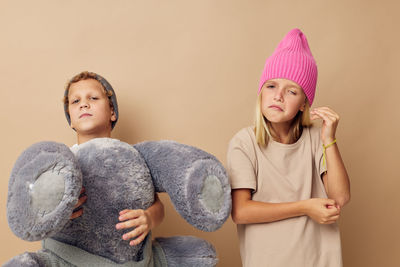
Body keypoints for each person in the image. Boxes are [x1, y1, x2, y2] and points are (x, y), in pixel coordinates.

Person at [227, 28, 350, 267]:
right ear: (261, 92)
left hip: (321, 260)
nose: (278, 96)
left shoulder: (317, 139)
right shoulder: (244, 143)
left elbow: (340, 197)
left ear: (304, 103)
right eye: (271, 86)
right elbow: (240, 211)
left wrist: (329, 139)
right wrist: (305, 207)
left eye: (291, 91)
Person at [64, 71, 164, 246]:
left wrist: (148, 218)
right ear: (70, 120)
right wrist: (58, 211)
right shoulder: (63, 162)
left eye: (93, 98)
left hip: (123, 250)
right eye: (76, 101)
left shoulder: (129, 159)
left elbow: (157, 205)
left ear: (112, 111)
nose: (84, 105)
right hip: (76, 251)